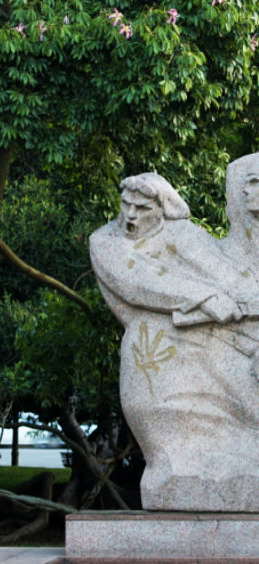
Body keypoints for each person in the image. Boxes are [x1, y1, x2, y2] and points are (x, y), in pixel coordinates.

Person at [90, 172, 259, 511]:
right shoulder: (105, 240)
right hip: (158, 350)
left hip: (221, 339)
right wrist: (205, 296)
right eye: (126, 205)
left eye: (142, 208)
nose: (131, 215)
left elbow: (222, 269)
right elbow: (137, 280)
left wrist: (244, 299)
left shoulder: (181, 233)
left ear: (163, 208)